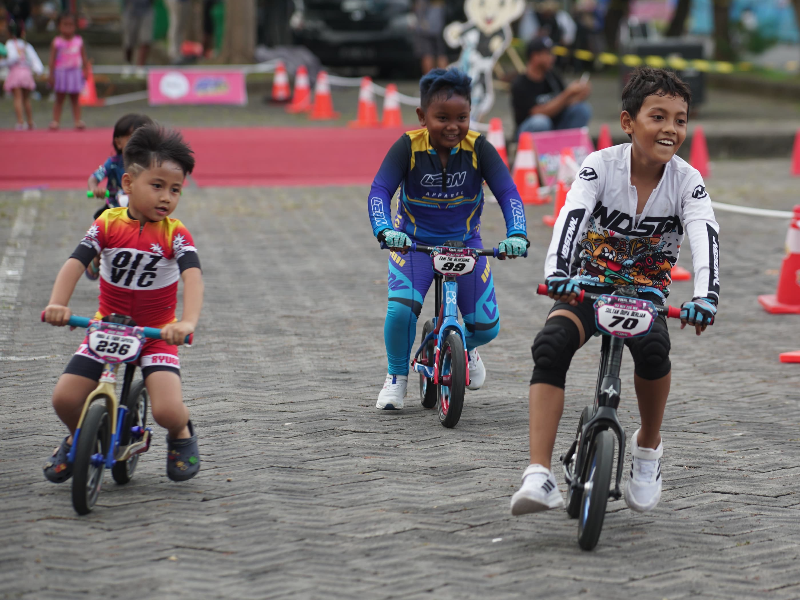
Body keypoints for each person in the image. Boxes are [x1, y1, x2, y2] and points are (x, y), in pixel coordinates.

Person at [510, 68, 720, 516]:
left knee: (655, 351)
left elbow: (705, 235)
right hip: (586, 286)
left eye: (680, 120)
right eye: (658, 116)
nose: (670, 129)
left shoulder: (688, 180)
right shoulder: (600, 165)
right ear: (628, 122)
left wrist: (706, 296)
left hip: (645, 295)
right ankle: (539, 474)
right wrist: (559, 272)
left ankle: (647, 449)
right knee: (549, 346)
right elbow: (572, 215)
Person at [42, 124, 203, 484]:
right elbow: (75, 263)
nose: (166, 197)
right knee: (65, 399)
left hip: (156, 333)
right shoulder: (106, 224)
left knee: (165, 409)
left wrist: (186, 322)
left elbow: (193, 276)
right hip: (107, 326)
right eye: (157, 185)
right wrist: (58, 304)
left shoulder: (175, 234)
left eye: (175, 190)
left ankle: (181, 433)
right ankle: (78, 436)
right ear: (128, 184)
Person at [367, 68, 529, 410]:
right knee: (401, 312)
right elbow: (380, 190)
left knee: (486, 328)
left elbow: (508, 192)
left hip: (466, 244)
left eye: (462, 117)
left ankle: (461, 348)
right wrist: (385, 230)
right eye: (442, 118)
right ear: (422, 116)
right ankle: (396, 377)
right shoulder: (407, 146)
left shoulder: (479, 148)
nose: (453, 126)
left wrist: (517, 233)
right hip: (412, 244)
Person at [85, 113, 154, 280]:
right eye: (132, 139)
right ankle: (96, 256)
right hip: (114, 209)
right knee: (101, 230)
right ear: (118, 142)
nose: (138, 145)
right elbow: (94, 177)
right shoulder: (113, 162)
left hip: (142, 210)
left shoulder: (152, 164)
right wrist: (95, 188)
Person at [511, 36, 591, 137]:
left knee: (582, 109)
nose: (553, 57)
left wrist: (579, 94)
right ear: (535, 56)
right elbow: (537, 113)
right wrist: (567, 93)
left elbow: (565, 103)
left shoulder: (552, 76)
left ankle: (568, 146)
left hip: (555, 128)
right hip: (528, 134)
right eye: (548, 53)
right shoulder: (521, 83)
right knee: (541, 122)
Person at [48, 13, 89, 130]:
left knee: (75, 98)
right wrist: (50, 75)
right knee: (59, 98)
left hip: (75, 73)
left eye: (71, 25)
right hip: (61, 73)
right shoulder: (56, 42)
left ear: (75, 26)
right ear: (59, 26)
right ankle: (55, 121)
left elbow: (84, 57)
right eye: (65, 25)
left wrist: (86, 70)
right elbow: (52, 59)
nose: (68, 27)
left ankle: (77, 121)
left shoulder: (79, 41)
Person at [3, 20, 43, 130]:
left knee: (18, 98)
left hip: (16, 73)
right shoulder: (26, 45)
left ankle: (20, 121)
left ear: (9, 33)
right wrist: (38, 70)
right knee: (26, 99)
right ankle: (30, 121)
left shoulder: (10, 44)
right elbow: (34, 59)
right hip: (26, 74)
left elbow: (11, 58)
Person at [414, 0, 448, 74]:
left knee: (427, 54)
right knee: (441, 54)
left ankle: (430, 82)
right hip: (440, 27)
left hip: (426, 28)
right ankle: (444, 82)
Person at [121, 0, 153, 68]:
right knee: (128, 41)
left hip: (147, 9)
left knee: (145, 39)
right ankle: (127, 64)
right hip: (130, 9)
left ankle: (140, 67)